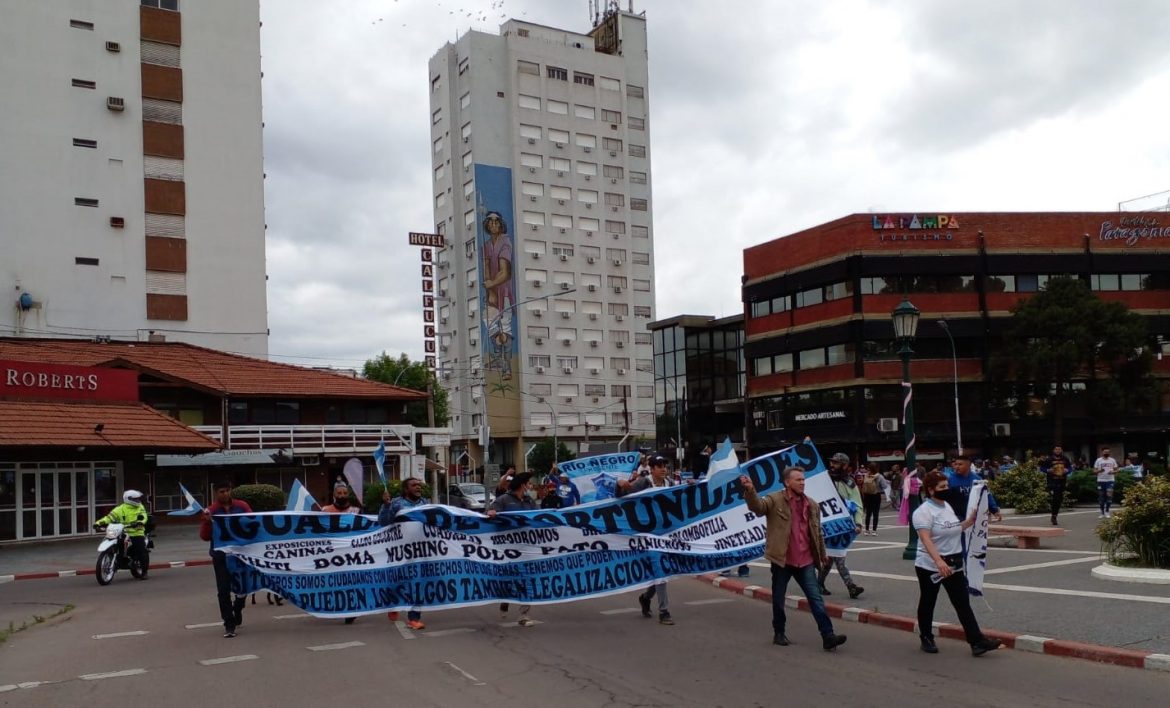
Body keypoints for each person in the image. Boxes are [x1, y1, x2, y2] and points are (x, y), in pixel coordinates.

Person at [739, 467, 847, 652]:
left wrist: (822, 553)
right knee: (778, 599)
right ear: (787, 482)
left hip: (805, 561)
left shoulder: (812, 505)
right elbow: (758, 507)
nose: (802, 482)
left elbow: (817, 532)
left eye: (803, 479)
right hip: (782, 560)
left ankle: (828, 636)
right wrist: (750, 489)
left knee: (816, 599)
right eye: (798, 480)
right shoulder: (775, 500)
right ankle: (779, 632)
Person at [913, 470, 1003, 657]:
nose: (947, 489)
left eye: (947, 485)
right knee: (928, 601)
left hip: (954, 563)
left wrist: (969, 522)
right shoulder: (923, 512)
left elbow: (954, 528)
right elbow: (925, 539)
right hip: (931, 565)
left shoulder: (947, 506)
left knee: (962, 603)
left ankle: (977, 642)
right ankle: (926, 637)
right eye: (942, 487)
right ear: (931, 490)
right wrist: (938, 561)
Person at [617, 455, 677, 625]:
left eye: (665, 465)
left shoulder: (670, 483)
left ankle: (646, 597)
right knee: (659, 569)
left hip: (667, 533)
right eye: (659, 466)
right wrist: (620, 485)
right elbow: (624, 494)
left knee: (665, 570)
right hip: (649, 535)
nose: (663, 469)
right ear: (652, 469)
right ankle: (664, 611)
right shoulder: (644, 482)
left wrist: (693, 486)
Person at [199, 481, 253, 638]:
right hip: (221, 556)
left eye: (227, 490)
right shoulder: (211, 510)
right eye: (221, 491)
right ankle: (229, 624)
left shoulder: (242, 506)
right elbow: (204, 536)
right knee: (223, 590)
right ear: (216, 493)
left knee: (243, 587)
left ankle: (238, 607)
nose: (225, 494)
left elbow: (253, 523)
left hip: (240, 555)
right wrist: (207, 522)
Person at [487, 473, 537, 627]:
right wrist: (491, 513)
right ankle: (505, 600)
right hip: (506, 548)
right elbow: (489, 513)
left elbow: (538, 516)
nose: (530, 486)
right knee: (508, 579)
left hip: (525, 547)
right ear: (522, 485)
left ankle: (524, 615)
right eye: (528, 483)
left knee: (526, 579)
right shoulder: (504, 500)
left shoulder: (529, 501)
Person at [379, 478, 427, 630]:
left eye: (419, 485)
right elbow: (383, 522)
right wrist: (386, 506)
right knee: (398, 580)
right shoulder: (396, 504)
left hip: (420, 551)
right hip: (399, 550)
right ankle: (393, 603)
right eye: (414, 485)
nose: (418, 487)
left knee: (418, 582)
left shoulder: (426, 503)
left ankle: (414, 618)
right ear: (406, 489)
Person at [818, 453, 864, 600]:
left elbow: (857, 504)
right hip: (827, 525)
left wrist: (858, 523)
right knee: (838, 556)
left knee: (832, 557)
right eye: (832, 462)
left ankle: (818, 584)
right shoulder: (823, 480)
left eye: (836, 463)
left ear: (844, 465)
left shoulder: (849, 483)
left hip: (843, 526)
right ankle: (851, 587)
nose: (832, 465)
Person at [321, 482, 361, 623]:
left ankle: (351, 610)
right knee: (335, 583)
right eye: (339, 493)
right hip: (332, 553)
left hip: (352, 553)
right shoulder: (325, 510)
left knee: (351, 582)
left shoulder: (356, 511)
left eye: (345, 493)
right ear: (334, 495)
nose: (342, 495)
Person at [481, 211, 514, 378]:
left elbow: (505, 273)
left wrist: (492, 285)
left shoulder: (505, 242)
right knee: (489, 320)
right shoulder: (486, 245)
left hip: (505, 292)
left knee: (505, 326)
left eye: (496, 222)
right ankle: (499, 359)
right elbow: (486, 271)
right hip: (493, 291)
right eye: (490, 222)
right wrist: (490, 291)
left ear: (501, 224)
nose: (493, 225)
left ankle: (506, 367)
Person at [94, 489, 151, 579]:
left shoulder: (140, 507)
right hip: (123, 531)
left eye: (138, 499)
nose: (137, 500)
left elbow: (144, 517)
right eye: (135, 499)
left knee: (141, 549)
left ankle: (144, 572)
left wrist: (139, 522)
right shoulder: (120, 509)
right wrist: (98, 523)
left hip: (136, 532)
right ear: (128, 499)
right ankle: (119, 559)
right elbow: (109, 517)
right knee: (117, 541)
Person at [943, 455, 1002, 524]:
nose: (957, 467)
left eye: (960, 464)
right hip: (956, 517)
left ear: (968, 465)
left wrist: (994, 510)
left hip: (974, 517)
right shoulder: (949, 480)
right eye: (956, 464)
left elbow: (986, 495)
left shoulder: (977, 479)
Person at [1040, 445, 1074, 525]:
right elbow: (1042, 468)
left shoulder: (1065, 459)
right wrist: (1048, 470)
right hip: (1052, 482)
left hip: (1062, 481)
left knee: (1059, 499)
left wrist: (1067, 470)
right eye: (1056, 449)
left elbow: (1070, 468)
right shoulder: (1049, 459)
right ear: (1053, 450)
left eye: (1059, 449)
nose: (1058, 451)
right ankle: (1054, 516)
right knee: (1055, 498)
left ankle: (1054, 515)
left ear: (1061, 450)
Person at [860, 462, 885, 536]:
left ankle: (867, 530)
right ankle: (874, 531)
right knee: (875, 513)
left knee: (868, 513)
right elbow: (884, 486)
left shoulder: (866, 475)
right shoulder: (879, 476)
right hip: (876, 495)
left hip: (867, 495)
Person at [1093, 447, 1119, 518]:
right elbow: (1094, 471)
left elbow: (1117, 470)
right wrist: (1099, 471)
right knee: (1101, 497)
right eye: (1105, 452)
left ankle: (1107, 511)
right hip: (1101, 481)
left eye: (1108, 452)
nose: (1106, 453)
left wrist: (1112, 472)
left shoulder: (1112, 460)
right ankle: (1102, 512)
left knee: (1109, 496)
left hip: (1110, 480)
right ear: (1102, 452)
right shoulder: (1098, 460)